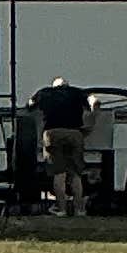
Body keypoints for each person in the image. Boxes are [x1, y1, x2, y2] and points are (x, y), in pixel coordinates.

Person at [32, 76, 94, 216]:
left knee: (59, 173)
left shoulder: (44, 92)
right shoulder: (78, 92)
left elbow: (30, 105)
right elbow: (94, 102)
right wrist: (92, 122)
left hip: (53, 133)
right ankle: (79, 210)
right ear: (67, 86)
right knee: (75, 174)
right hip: (74, 133)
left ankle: (61, 209)